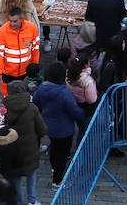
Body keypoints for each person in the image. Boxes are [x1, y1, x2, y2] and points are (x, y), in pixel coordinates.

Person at [32, 62, 84, 191]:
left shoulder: (41, 90)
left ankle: (55, 168)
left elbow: (36, 104)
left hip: (48, 127)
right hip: (64, 130)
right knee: (62, 154)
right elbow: (74, 111)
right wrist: (84, 114)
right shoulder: (65, 94)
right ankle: (57, 181)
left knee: (54, 149)